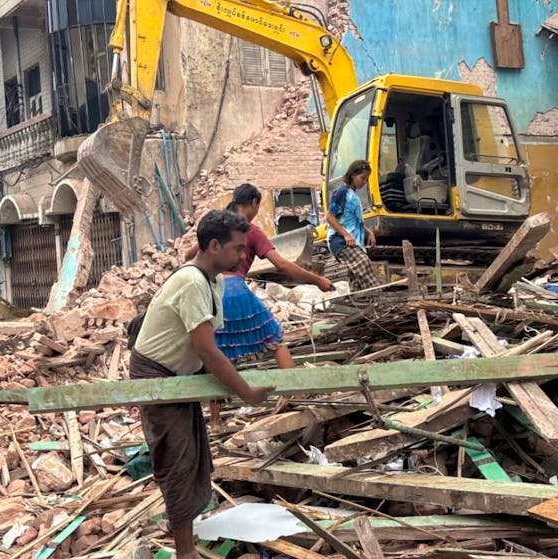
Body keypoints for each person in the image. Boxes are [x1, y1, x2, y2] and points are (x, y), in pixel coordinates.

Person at [132, 209, 275, 559]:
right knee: (178, 459)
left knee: (195, 457)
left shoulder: (215, 281)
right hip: (157, 374)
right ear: (214, 245)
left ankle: (188, 542)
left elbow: (209, 342)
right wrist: (246, 392)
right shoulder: (193, 282)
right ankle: (185, 553)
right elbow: (206, 349)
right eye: (237, 249)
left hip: (181, 375)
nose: (243, 256)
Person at [186, 183, 334, 368]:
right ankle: (293, 393)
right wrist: (317, 280)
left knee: (215, 347)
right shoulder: (250, 231)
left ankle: (219, 398)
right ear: (254, 203)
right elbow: (282, 265)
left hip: (210, 292)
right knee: (275, 340)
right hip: (235, 290)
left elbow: (188, 255)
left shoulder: (219, 228)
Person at [326, 159, 383, 291]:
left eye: (366, 179)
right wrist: (346, 235)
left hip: (353, 241)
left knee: (356, 280)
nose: (364, 182)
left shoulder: (354, 196)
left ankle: (359, 305)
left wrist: (369, 232)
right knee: (363, 263)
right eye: (362, 178)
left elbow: (354, 221)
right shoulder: (342, 192)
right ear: (353, 175)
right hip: (340, 241)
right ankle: (377, 297)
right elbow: (330, 217)